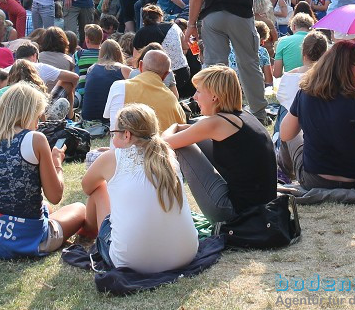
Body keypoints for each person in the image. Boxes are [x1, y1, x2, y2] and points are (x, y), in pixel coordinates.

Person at [0, 82, 85, 256]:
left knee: (46, 207)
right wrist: (57, 161)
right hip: (29, 238)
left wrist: (2, 206)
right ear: (28, 114)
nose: (37, 124)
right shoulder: (36, 139)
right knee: (79, 208)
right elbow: (55, 195)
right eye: (37, 117)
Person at [82, 104, 198, 272]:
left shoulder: (111, 158)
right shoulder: (168, 155)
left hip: (131, 261)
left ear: (127, 135)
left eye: (113, 133)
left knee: (99, 189)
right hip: (185, 254)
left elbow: (87, 187)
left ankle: (88, 232)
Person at [162, 66, 277, 222]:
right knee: (190, 137)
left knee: (182, 146)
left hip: (236, 213)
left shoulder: (216, 123)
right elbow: (197, 132)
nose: (194, 97)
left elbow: (164, 143)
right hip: (261, 205)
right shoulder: (243, 116)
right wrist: (183, 128)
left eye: (199, 91)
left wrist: (173, 126)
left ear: (214, 96)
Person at [279, 40, 355, 191]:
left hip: (314, 180)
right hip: (354, 179)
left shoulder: (305, 93)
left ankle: (282, 173)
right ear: (346, 67)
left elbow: (285, 135)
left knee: (289, 130)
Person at [103, 48, 185, 131]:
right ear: (166, 75)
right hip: (161, 143)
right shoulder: (172, 99)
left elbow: (109, 118)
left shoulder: (119, 86)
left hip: (122, 142)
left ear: (141, 65)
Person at [132, 4, 191, 98]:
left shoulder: (141, 33)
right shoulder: (173, 26)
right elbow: (185, 46)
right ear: (160, 16)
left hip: (159, 77)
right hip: (183, 73)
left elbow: (135, 60)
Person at [80, 40, 132, 122]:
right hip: (108, 121)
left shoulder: (91, 69)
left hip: (87, 119)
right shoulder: (124, 70)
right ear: (119, 53)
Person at [272, 13, 314, 79]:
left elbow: (277, 74)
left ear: (293, 27)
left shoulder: (283, 42)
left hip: (290, 83)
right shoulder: (318, 41)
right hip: (313, 83)